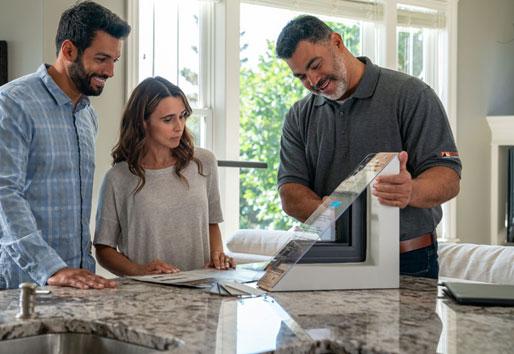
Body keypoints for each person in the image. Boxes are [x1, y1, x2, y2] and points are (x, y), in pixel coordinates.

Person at [275, 15, 461, 278]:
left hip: (407, 260)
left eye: (315, 65)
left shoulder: (411, 95)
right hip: (330, 259)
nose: (313, 81)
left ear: (336, 42)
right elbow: (290, 193)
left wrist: (411, 191)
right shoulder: (299, 115)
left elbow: (448, 178)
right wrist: (328, 212)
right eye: (301, 76)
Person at [0, 1, 131, 289]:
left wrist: (77, 270)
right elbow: (4, 195)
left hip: (79, 283)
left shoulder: (87, 116)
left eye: (114, 61)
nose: (110, 71)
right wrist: (52, 268)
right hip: (23, 286)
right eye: (101, 59)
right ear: (69, 50)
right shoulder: (11, 103)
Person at [94, 77, 235, 276]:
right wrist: (139, 270)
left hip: (201, 293)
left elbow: (212, 223)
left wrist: (218, 255)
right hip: (143, 297)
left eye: (183, 115)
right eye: (168, 119)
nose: (179, 126)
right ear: (143, 123)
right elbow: (103, 249)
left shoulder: (203, 162)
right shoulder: (117, 178)